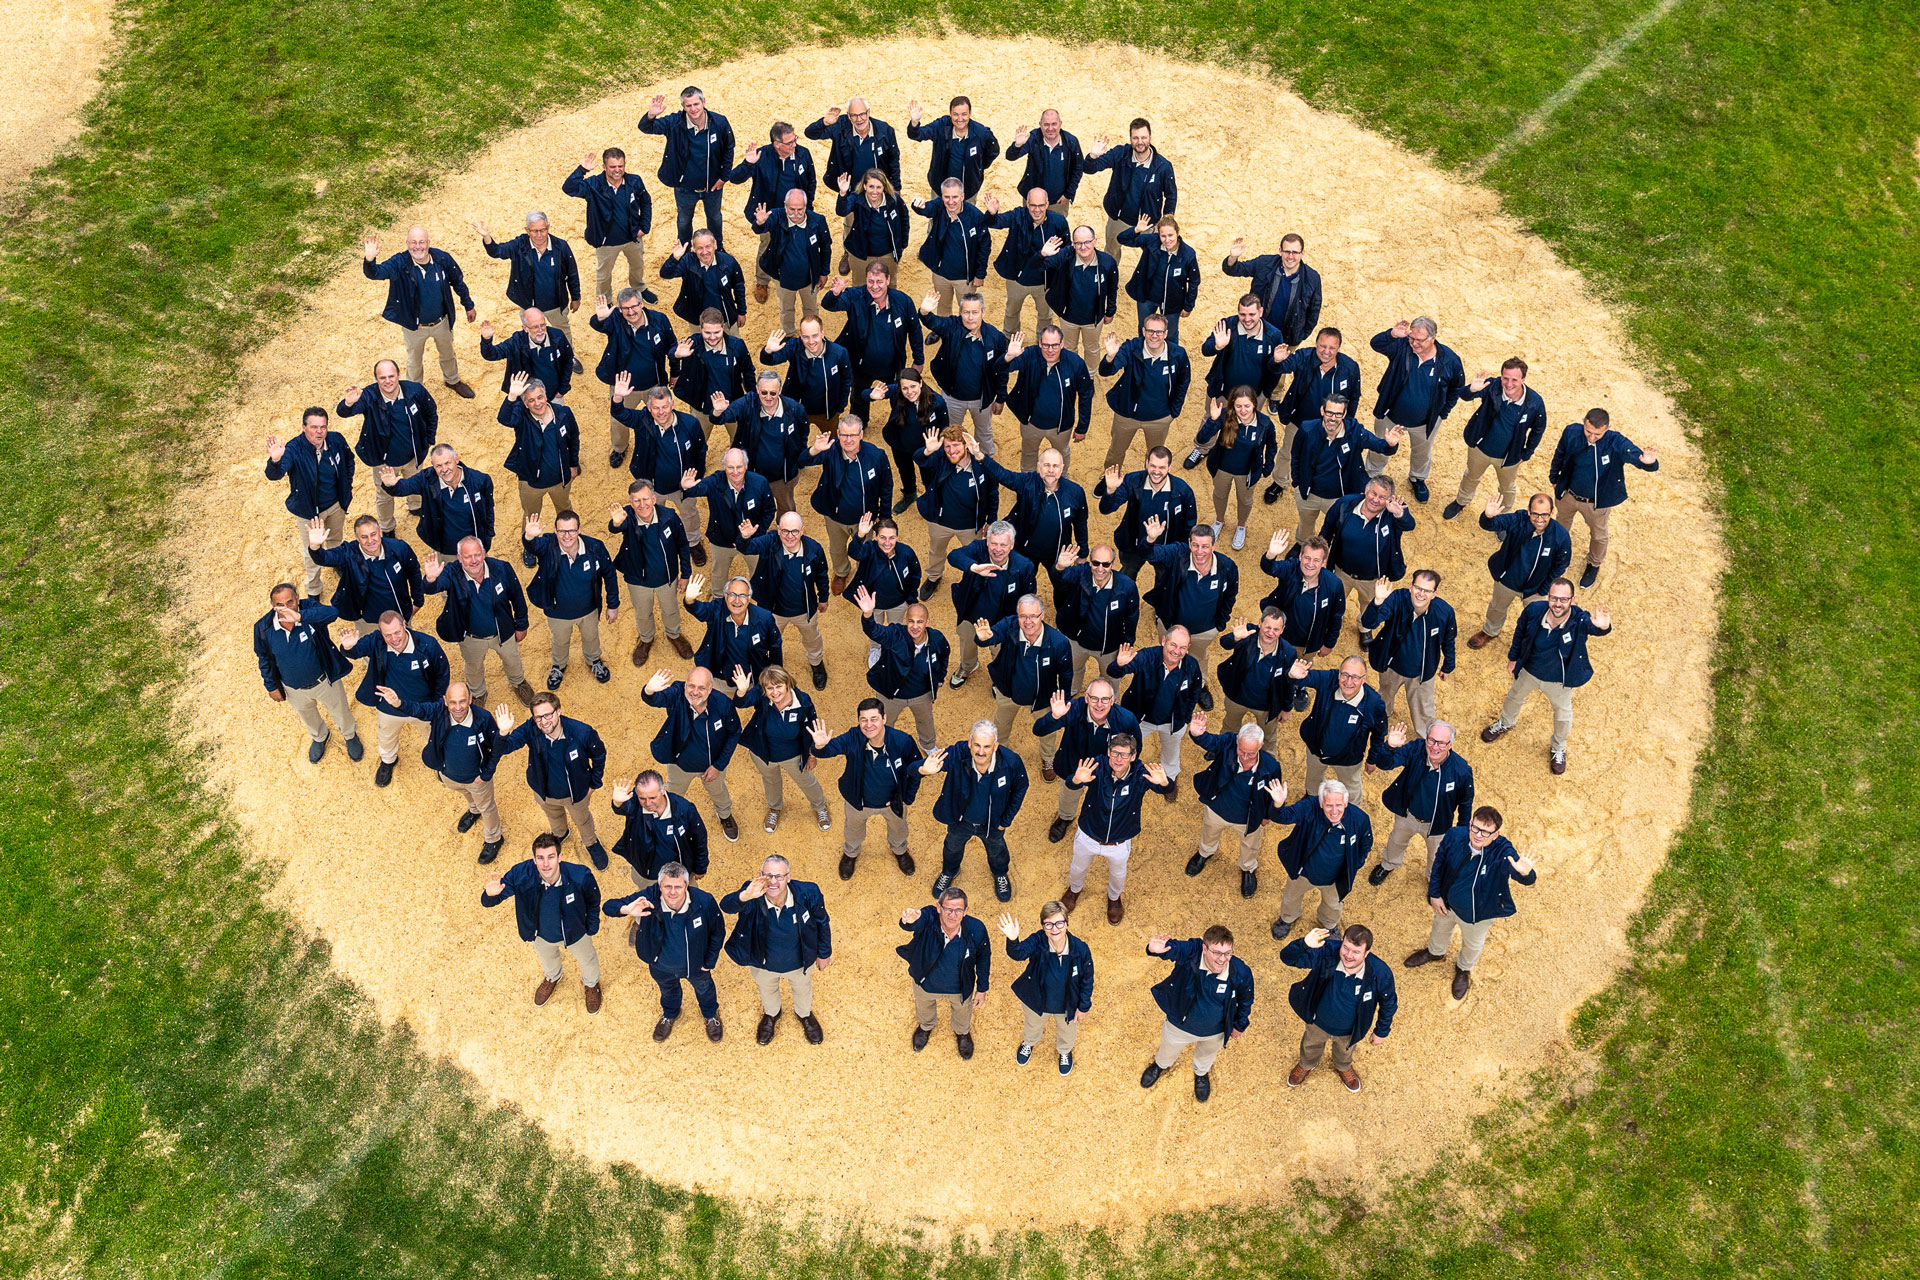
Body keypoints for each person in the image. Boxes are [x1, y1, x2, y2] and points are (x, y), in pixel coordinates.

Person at [1481, 580, 1613, 774]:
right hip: (1529, 671)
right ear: (1548, 597)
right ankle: (1505, 723)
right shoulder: (1534, 610)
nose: (1558, 604)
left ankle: (1558, 747)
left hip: (1559, 681)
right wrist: (1513, 658)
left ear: (1572, 600)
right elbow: (1520, 632)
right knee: (1514, 697)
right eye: (1554, 598)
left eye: (1564, 599)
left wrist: (1603, 626)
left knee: (1562, 714)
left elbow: (1594, 627)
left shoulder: (1579, 620)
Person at [1410, 807, 1537, 999]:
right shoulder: (1454, 835)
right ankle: (1435, 953)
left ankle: (1463, 969)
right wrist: (1435, 894)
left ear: (1496, 834)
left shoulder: (1503, 851)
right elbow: (1439, 864)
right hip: (1447, 904)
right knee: (1439, 929)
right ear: (1470, 824)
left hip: (1478, 914)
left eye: (1485, 832)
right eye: (1475, 828)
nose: (1478, 835)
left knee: (1472, 945)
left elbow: (1521, 874)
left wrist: (1525, 873)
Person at [606, 861, 726, 1041]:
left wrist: (709, 962)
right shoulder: (649, 897)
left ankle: (710, 1015)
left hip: (696, 966)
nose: (672, 892)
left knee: (705, 990)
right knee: (668, 992)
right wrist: (627, 909)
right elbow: (608, 906)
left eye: (678, 887)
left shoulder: (704, 901)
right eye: (667, 886)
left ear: (687, 885)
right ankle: (670, 1014)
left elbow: (718, 931)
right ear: (659, 885)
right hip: (661, 966)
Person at [481, 833, 603, 1011]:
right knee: (547, 959)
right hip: (540, 935)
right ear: (534, 860)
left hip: (576, 932)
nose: (546, 863)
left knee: (588, 960)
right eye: (540, 858)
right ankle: (553, 977)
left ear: (560, 857)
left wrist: (591, 927)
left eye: (551, 857)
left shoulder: (580, 876)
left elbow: (593, 901)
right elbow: (492, 900)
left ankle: (591, 984)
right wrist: (490, 895)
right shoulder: (520, 874)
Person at [1060, 733, 1172, 924]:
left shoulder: (1141, 774)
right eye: (1115, 753)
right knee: (1078, 867)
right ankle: (1074, 890)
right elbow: (1072, 783)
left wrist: (1164, 782)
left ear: (1133, 756)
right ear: (1108, 752)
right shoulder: (1097, 765)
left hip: (1119, 841)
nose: (1118, 759)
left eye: (1124, 755)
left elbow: (1169, 791)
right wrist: (1077, 779)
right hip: (1088, 834)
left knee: (1118, 875)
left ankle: (1114, 898)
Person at [720, 855, 832, 1044]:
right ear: (760, 875)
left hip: (800, 962)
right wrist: (745, 896)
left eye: (779, 876)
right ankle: (771, 1014)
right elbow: (726, 906)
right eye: (768, 876)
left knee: (802, 989)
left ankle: (804, 1014)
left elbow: (822, 922)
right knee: (767, 989)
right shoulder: (752, 893)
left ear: (788, 877)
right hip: (763, 963)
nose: (773, 882)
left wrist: (824, 953)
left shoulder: (808, 892)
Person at [812, 698, 925, 880]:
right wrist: (819, 746)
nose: (868, 725)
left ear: (884, 718)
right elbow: (828, 750)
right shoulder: (853, 737)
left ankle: (900, 850)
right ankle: (850, 853)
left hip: (894, 802)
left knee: (898, 829)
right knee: (853, 830)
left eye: (874, 719)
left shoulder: (902, 741)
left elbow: (917, 770)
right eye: (863, 720)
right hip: (858, 802)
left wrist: (907, 798)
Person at [1548, 406, 1660, 588]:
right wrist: (1554, 479)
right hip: (1568, 494)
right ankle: (1555, 554)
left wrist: (1649, 462)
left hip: (1596, 503)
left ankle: (1593, 564)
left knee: (1599, 536)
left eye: (1597, 434)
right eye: (1588, 432)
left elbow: (1635, 456)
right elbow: (1559, 454)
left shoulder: (1616, 441)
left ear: (1607, 429)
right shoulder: (1571, 432)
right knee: (1560, 525)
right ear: (1583, 423)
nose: (1591, 437)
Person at [495, 690, 609, 869]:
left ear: (559, 711)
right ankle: (561, 833)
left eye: (548, 715)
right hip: (544, 793)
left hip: (576, 794)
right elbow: (505, 748)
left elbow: (599, 755)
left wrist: (594, 783)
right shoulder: (530, 728)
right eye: (538, 717)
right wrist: (503, 732)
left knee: (583, 820)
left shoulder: (582, 732)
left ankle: (591, 842)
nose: (543, 721)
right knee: (554, 816)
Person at [1140, 926, 1253, 1102]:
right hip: (1179, 1024)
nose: (1222, 959)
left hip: (1215, 1032)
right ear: (1204, 948)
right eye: (1216, 952)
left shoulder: (1240, 971)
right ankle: (1160, 1065)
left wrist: (1239, 1025)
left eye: (1227, 953)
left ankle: (1201, 1073)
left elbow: (1246, 1001)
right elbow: (1175, 948)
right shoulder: (1192, 953)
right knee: (1168, 1048)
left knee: (1207, 1055)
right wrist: (1154, 949)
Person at [253, 584, 363, 764]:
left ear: (297, 598)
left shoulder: (309, 611)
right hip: (293, 689)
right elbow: (264, 658)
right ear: (273, 606)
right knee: (307, 715)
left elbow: (333, 613)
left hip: (325, 680)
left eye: (290, 602)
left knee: (340, 710)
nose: (286, 608)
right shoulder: (262, 628)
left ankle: (349, 735)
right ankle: (320, 736)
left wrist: (300, 616)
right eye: (280, 605)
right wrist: (271, 686)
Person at [361, 227, 476, 397]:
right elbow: (376, 273)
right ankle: (415, 391)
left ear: (428, 243)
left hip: (442, 321)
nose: (417, 247)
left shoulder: (442, 259)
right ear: (407, 244)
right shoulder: (399, 263)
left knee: (448, 353)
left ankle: (452, 380)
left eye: (421, 242)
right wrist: (370, 259)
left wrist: (468, 305)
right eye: (413, 242)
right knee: (414, 361)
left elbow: (458, 282)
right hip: (414, 326)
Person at [921, 720, 1029, 902]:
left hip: (992, 824)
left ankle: (1000, 873)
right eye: (977, 745)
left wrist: (1005, 820)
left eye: (987, 746)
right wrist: (921, 769)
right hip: (960, 821)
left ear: (995, 746)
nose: (981, 751)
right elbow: (924, 765)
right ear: (970, 743)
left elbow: (1021, 787)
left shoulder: (1011, 762)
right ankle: (949, 871)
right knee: (952, 847)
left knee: (997, 850)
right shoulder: (958, 754)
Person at [420, 536, 534, 707]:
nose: (473, 560)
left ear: (484, 553)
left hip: (503, 632)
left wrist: (522, 625)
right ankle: (478, 692)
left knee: (512, 659)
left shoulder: (502, 568)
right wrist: (430, 579)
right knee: (473, 666)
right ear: (459, 558)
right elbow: (432, 588)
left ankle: (518, 682)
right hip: (470, 637)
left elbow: (517, 597)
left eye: (477, 555)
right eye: (467, 557)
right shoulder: (452, 572)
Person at [397, 681, 504, 863]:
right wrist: (398, 703)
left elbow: (497, 748)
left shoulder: (483, 718)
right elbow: (419, 710)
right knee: (465, 793)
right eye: (453, 702)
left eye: (462, 701)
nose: (458, 707)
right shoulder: (439, 713)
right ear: (445, 701)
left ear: (470, 699)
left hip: (477, 780)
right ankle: (474, 810)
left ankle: (494, 838)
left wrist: (486, 774)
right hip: (450, 776)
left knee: (487, 807)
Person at [1281, 924, 1396, 1092]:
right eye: (1346, 948)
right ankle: (1307, 1064)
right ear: (1341, 942)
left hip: (1350, 1030)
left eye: (1356, 952)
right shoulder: (1327, 951)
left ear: (1366, 954)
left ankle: (1343, 1066)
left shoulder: (1380, 973)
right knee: (1310, 1045)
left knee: (1345, 1051)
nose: (1348, 955)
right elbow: (1287, 958)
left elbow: (1388, 1002)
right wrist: (1304, 944)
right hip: (1317, 1021)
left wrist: (1381, 1031)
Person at [341, 610, 450, 787]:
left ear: (404, 625)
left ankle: (439, 760)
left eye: (397, 632)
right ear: (381, 633)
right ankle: (388, 760)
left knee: (434, 735)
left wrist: (437, 704)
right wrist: (348, 647)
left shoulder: (427, 645)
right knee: (386, 737)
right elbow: (356, 651)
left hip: (423, 706)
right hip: (389, 707)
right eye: (388, 635)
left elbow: (442, 674)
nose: (394, 639)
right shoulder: (377, 640)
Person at [1365, 316, 1467, 504]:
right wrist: (1392, 334)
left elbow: (1456, 388)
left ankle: (1417, 478)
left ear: (1433, 338)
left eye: (1420, 340)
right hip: (1390, 416)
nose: (1414, 343)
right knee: (1380, 445)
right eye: (1411, 338)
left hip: (1424, 422)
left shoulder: (1450, 360)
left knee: (1422, 452)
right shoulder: (1401, 346)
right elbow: (1375, 344)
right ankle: (1373, 473)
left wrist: (1442, 413)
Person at [610, 377, 708, 567]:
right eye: (656, 408)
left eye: (664, 407)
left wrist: (697, 478)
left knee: (689, 515)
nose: (661, 412)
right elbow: (619, 413)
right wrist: (618, 397)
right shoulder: (642, 420)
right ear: (648, 407)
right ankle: (654, 543)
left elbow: (700, 451)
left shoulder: (690, 424)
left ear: (672, 405)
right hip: (651, 487)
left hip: (683, 487)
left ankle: (693, 542)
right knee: (650, 515)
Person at [1185, 719, 1287, 896]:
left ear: (1261, 746)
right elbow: (1211, 741)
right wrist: (1197, 734)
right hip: (1217, 808)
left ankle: (1248, 868)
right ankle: (1205, 853)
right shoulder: (1228, 744)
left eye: (1251, 753)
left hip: (1248, 819)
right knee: (1209, 832)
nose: (1245, 757)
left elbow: (1273, 794)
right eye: (1241, 750)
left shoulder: (1271, 767)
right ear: (1237, 740)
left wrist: (1267, 815)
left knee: (1250, 845)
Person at [641, 665, 743, 840]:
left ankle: (725, 815)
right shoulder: (677, 694)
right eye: (691, 686)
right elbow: (655, 699)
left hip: (712, 767)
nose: (695, 692)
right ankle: (667, 817)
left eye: (701, 688)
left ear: (710, 688)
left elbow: (734, 732)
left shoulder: (723, 704)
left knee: (718, 792)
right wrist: (649, 690)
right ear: (685, 685)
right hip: (680, 764)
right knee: (673, 793)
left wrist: (718, 766)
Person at [1261, 327, 1362, 502]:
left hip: (1331, 424)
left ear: (1338, 348)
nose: (1326, 351)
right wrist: (1276, 361)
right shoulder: (1304, 356)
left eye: (1332, 348)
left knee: (1325, 455)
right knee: (1288, 452)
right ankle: (1279, 482)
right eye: (1322, 346)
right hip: (1299, 421)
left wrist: (1346, 423)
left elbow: (1353, 397)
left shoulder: (1350, 368)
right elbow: (1280, 367)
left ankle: (1315, 484)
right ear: (1316, 344)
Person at [1368, 719, 1475, 886]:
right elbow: (1385, 764)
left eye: (1441, 743)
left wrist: (1462, 833)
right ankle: (1388, 864)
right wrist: (1389, 747)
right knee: (1396, 841)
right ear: (1426, 739)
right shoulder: (1416, 749)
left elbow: (1465, 803)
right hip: (1407, 814)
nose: (1434, 747)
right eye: (1431, 740)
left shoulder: (1461, 771)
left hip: (1437, 825)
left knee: (1436, 856)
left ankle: (1433, 880)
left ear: (1450, 745)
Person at [521, 509, 618, 688]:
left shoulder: (595, 547)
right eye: (562, 531)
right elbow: (533, 547)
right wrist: (529, 536)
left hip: (589, 610)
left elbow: (610, 575)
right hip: (557, 612)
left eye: (571, 530)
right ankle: (559, 666)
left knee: (591, 637)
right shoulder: (548, 546)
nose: (567, 536)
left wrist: (613, 605)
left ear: (579, 529)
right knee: (560, 641)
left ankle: (594, 660)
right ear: (555, 530)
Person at [336, 361, 437, 532]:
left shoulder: (415, 391)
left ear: (399, 375)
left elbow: (431, 413)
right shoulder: (369, 396)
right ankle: (387, 527)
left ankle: (415, 506)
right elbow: (344, 413)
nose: (388, 381)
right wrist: (348, 403)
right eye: (382, 378)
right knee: (384, 496)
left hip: (413, 456)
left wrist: (428, 439)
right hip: (384, 463)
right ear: (376, 379)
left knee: (416, 484)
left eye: (391, 376)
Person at [264, 408, 354, 600]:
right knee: (311, 551)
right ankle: (314, 588)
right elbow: (275, 475)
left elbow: (349, 461)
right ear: (304, 428)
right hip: (309, 512)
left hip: (336, 505)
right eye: (314, 427)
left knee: (335, 540)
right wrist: (275, 460)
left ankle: (336, 563)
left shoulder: (336, 440)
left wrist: (347, 487)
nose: (319, 432)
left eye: (323, 427)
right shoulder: (293, 449)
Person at [1443, 358, 1549, 519]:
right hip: (1479, 449)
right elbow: (1463, 395)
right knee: (1471, 476)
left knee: (1507, 488)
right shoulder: (1492, 386)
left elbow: (1538, 429)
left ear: (1523, 379)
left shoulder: (1535, 403)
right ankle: (1461, 501)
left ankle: (1503, 515)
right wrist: (1471, 389)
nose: (1509, 384)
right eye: (1505, 378)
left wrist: (1527, 453)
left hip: (1509, 457)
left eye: (1514, 379)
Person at [730, 664, 831, 833]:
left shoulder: (803, 701)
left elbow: (813, 731)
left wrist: (811, 755)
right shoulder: (761, 694)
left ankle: (820, 806)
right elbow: (741, 703)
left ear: (788, 684)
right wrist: (741, 691)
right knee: (771, 781)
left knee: (806, 781)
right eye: (770, 688)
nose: (774, 692)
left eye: (779, 687)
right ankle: (774, 808)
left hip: (793, 755)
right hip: (763, 753)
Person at [1034, 681, 1140, 841]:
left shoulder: (1126, 719)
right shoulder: (1072, 709)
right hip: (1073, 768)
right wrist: (1054, 716)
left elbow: (1136, 748)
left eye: (1105, 699)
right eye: (1094, 698)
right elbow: (1038, 730)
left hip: (1107, 772)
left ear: (1112, 700)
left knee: (1103, 799)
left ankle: (1100, 823)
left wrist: (1120, 770)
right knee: (1069, 795)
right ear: (1086, 698)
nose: (1099, 704)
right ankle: (1065, 818)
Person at [1285, 397, 1400, 543]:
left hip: (1339, 498)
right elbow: (1296, 455)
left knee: (1340, 529)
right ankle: (1302, 543)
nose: (1333, 418)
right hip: (1308, 495)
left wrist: (1390, 445)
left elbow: (1378, 445)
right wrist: (1297, 483)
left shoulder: (1355, 432)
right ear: (1322, 410)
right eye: (1329, 413)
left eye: (1338, 414)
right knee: (1305, 523)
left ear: (1344, 414)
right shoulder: (1307, 429)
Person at [823, 264, 923, 429]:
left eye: (879, 281)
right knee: (858, 397)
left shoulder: (903, 301)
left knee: (898, 398)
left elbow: (915, 331)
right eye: (870, 281)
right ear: (866, 280)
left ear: (888, 280)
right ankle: (860, 423)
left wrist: (918, 360)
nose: (875, 286)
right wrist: (835, 293)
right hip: (861, 364)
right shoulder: (855, 296)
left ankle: (899, 426)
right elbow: (829, 305)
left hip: (892, 366)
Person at [738, 511, 831, 689]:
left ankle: (816, 663)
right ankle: (771, 671)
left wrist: (823, 598)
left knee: (812, 639)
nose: (790, 536)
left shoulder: (814, 549)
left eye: (794, 531)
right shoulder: (770, 542)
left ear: (802, 530)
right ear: (778, 530)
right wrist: (745, 537)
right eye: (785, 531)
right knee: (767, 641)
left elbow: (822, 575)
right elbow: (747, 548)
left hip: (805, 611)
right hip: (773, 611)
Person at [1358, 569, 1456, 736]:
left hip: (1422, 674)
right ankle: (1381, 715)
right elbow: (1369, 623)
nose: (1421, 594)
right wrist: (1378, 601)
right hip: (1391, 667)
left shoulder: (1444, 613)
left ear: (1434, 594)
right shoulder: (1397, 599)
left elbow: (1449, 640)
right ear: (1411, 587)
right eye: (1418, 588)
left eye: (1427, 591)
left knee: (1424, 710)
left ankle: (1424, 738)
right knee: (1384, 695)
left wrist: (1448, 666)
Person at [896, 887, 992, 1057]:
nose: (952, 915)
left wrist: (982, 988)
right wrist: (909, 920)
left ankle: (962, 1032)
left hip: (960, 987)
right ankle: (926, 1026)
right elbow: (915, 922)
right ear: (939, 907)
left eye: (958, 910)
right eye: (948, 909)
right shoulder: (929, 917)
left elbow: (983, 958)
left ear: (966, 911)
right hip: (926, 982)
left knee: (962, 1012)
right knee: (924, 1007)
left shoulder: (977, 929)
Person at [799, 414, 892, 590]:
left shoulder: (876, 456)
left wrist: (885, 518)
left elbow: (886, 487)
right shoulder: (830, 450)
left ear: (861, 435)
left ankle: (864, 575)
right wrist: (814, 449)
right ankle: (841, 572)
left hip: (865, 520)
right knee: (837, 549)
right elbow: (801, 461)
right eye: (844, 435)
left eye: (853, 435)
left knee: (865, 551)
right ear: (838, 434)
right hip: (835, 518)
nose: (848, 440)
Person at [1469, 491, 1572, 648]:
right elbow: (1491, 525)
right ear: (1528, 511)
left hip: (1535, 589)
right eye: (1535, 514)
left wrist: (1544, 589)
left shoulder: (1561, 536)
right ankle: (1490, 631)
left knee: (1537, 617)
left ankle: (1531, 642)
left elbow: (1560, 565)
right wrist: (1488, 517)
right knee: (1497, 608)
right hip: (1507, 580)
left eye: (1544, 514)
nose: (1539, 519)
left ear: (1552, 512)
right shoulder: (1518, 519)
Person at [973, 592, 1073, 753]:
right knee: (1001, 724)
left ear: (1042, 615)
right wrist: (983, 639)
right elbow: (991, 636)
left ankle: (1048, 757)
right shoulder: (1009, 625)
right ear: (1017, 615)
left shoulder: (1059, 643)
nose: (1028, 621)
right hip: (1008, 692)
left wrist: (1064, 700)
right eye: (1023, 616)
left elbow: (1066, 674)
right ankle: (999, 752)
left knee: (1048, 732)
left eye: (1033, 616)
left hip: (1042, 698)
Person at [729, 123, 819, 303]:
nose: (794, 145)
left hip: (795, 212)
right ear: (777, 144)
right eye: (789, 142)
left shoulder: (803, 154)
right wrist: (748, 164)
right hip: (768, 214)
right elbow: (734, 178)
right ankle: (762, 281)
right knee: (767, 246)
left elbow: (811, 181)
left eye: (795, 139)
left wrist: (807, 207)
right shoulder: (761, 156)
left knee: (797, 243)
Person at [1270, 780, 1373, 936]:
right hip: (1303, 871)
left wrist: (1354, 865)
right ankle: (1287, 918)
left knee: (1333, 905)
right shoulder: (1309, 807)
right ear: (1320, 803)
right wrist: (1278, 804)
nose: (1334, 811)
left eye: (1338, 805)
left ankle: (1329, 924)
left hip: (1335, 878)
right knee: (1291, 897)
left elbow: (1365, 843)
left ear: (1346, 803)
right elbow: (1284, 817)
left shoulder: (1359, 819)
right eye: (1328, 805)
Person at [1106, 630, 1202, 794]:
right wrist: (1119, 665)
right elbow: (1114, 672)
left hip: (1173, 723)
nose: (1177, 651)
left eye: (1182, 647)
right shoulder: (1146, 657)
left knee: (1171, 753)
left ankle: (1168, 780)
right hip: (1140, 720)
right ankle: (1122, 777)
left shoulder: (1191, 666)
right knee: (1127, 748)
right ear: (1163, 641)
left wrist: (1185, 718)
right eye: (1173, 645)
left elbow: (1195, 692)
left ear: (1188, 648)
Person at [1000, 904, 1092, 1073]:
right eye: (1048, 924)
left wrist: (1084, 1006)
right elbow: (1018, 954)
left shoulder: (1081, 949)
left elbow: (1087, 979)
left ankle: (1064, 1051)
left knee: (1067, 1031)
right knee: (1032, 1025)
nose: (1054, 929)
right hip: (1038, 1000)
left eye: (1059, 923)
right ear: (1043, 926)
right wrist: (1013, 940)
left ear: (1067, 924)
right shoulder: (1038, 940)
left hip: (1067, 1004)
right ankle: (1029, 1042)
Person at [590, 288, 678, 464]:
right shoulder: (615, 320)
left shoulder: (659, 320)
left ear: (641, 304)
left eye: (633, 307)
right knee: (618, 419)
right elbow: (598, 325)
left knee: (661, 414)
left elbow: (672, 347)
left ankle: (661, 444)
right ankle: (619, 448)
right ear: (619, 309)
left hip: (654, 385)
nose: (630, 312)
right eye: (625, 308)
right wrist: (601, 317)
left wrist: (675, 373)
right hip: (624, 387)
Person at [638, 87, 735, 247]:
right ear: (683, 106)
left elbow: (729, 148)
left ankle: (717, 247)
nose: (693, 109)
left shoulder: (719, 122)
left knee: (715, 218)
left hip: (712, 187)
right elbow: (646, 128)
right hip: (684, 188)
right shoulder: (674, 122)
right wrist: (651, 115)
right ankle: (683, 249)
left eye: (696, 104)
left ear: (703, 102)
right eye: (688, 105)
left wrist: (724, 177)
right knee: (684, 221)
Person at [944, 520, 1035, 689]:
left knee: (1000, 653)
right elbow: (953, 556)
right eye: (993, 543)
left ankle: (998, 678)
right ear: (987, 541)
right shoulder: (978, 550)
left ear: (1011, 545)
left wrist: (1017, 624)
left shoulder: (1024, 566)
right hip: (970, 615)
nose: (997, 549)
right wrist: (974, 567)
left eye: (1003, 545)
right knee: (967, 644)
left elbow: (1028, 598)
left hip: (1001, 623)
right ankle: (967, 666)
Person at [913, 426, 999, 602]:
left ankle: (973, 582)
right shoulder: (940, 458)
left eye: (956, 445)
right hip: (939, 522)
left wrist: (991, 520)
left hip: (970, 526)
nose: (951, 451)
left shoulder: (982, 464)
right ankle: (934, 577)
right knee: (936, 551)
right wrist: (927, 451)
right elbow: (919, 459)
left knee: (974, 557)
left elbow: (992, 493)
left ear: (966, 445)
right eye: (947, 446)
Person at [856, 592, 949, 752]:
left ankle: (928, 745)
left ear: (927, 622)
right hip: (890, 694)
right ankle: (882, 745)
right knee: (884, 722)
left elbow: (944, 655)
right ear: (905, 620)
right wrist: (868, 615)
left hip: (922, 695)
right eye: (911, 621)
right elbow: (874, 631)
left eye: (920, 621)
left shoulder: (937, 639)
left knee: (925, 721)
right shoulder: (895, 634)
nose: (915, 626)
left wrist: (939, 679)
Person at [1143, 524, 1238, 679]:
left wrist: (1219, 624)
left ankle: (1199, 683)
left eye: (1205, 546)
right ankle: (1163, 679)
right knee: (1167, 654)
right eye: (1195, 545)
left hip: (1204, 632)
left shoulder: (1227, 567)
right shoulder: (1178, 555)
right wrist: (1150, 539)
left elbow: (1230, 595)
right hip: (1170, 626)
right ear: (1189, 543)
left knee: (1197, 658)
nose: (1199, 552)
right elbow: (1148, 554)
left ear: (1214, 545)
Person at [474, 210, 581, 347]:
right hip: (529, 306)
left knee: (563, 334)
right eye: (534, 231)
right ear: (527, 230)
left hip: (555, 305)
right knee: (532, 337)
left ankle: (569, 355)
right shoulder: (519, 245)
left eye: (542, 230)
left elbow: (572, 274)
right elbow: (497, 251)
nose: (539, 235)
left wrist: (576, 297)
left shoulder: (561, 246)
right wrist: (487, 236)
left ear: (548, 227)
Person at [1097, 317, 1191, 472]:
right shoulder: (1131, 347)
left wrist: (1173, 412)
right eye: (1150, 331)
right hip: (1126, 415)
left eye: (1159, 332)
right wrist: (1110, 357)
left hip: (1159, 418)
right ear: (1143, 331)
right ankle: (1110, 477)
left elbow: (1183, 382)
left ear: (1166, 333)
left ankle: (1149, 479)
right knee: (1116, 451)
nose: (1154, 335)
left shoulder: (1178, 354)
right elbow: (1106, 371)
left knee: (1154, 455)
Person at [309, 514, 425, 637]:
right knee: (372, 649)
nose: (370, 540)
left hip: (399, 617)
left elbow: (414, 572)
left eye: (373, 534)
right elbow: (325, 558)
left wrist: (417, 602)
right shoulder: (349, 553)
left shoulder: (399, 548)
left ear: (380, 532)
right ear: (357, 538)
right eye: (364, 537)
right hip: (368, 623)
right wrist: (315, 547)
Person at [1292, 653, 1389, 802]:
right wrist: (1294, 675)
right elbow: (1307, 677)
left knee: (1351, 790)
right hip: (1315, 749)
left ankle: (1352, 809)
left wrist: (1372, 758)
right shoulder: (1329, 680)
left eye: (1355, 677)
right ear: (1338, 674)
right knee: (1313, 780)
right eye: (1345, 675)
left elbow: (1379, 734)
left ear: (1364, 679)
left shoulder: (1374, 703)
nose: (1348, 682)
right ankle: (1311, 800)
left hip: (1348, 760)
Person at [711, 370, 808, 514]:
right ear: (757, 389)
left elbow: (803, 434)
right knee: (752, 511)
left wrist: (798, 461)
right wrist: (718, 412)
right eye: (763, 392)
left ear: (780, 390)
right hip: (752, 477)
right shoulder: (747, 404)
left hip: (783, 478)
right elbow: (723, 417)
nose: (768, 397)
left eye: (773, 393)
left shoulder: (795, 409)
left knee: (787, 510)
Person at [497, 374, 580, 544]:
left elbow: (573, 439)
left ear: (546, 395)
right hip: (530, 484)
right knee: (531, 516)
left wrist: (573, 464)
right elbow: (504, 419)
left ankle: (568, 540)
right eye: (531, 400)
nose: (537, 403)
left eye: (540, 397)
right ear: (525, 404)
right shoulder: (521, 418)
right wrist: (511, 396)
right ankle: (530, 545)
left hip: (560, 480)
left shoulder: (564, 413)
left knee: (565, 511)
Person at [918, 289, 1008, 445]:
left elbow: (1002, 371)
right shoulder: (952, 326)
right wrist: (924, 312)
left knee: (984, 433)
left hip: (982, 400)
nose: (970, 317)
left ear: (983, 312)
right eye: (966, 312)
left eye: (975, 312)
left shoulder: (996, 337)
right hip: (952, 398)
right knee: (950, 432)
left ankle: (985, 458)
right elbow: (934, 322)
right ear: (960, 313)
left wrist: (1000, 398)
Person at [1190, 390, 1277, 551]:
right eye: (1238, 406)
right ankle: (1219, 520)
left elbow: (1272, 445)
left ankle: (1241, 526)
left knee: (1245, 500)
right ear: (1232, 405)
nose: (1243, 410)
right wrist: (1212, 420)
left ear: (1254, 404)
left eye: (1247, 406)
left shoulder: (1265, 423)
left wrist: (1267, 467)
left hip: (1247, 474)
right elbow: (1201, 439)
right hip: (1222, 469)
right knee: (1219, 495)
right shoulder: (1224, 416)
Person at [563, 146, 653, 301]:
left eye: (620, 166)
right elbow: (569, 188)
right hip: (606, 242)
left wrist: (644, 227)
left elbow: (646, 202)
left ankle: (639, 288)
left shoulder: (635, 181)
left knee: (637, 266)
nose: (617, 170)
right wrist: (582, 169)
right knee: (604, 275)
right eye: (612, 167)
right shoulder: (593, 185)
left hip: (633, 238)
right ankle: (605, 300)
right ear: (604, 167)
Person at [999, 327, 1094, 471]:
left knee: (1061, 456)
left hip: (1061, 428)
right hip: (1030, 424)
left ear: (1062, 343)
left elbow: (1086, 395)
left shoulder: (1075, 363)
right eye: (1046, 345)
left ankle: (1062, 481)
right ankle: (1028, 481)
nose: (1050, 350)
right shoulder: (1029, 355)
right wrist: (1008, 356)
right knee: (1028, 454)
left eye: (1054, 345)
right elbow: (999, 369)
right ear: (1039, 343)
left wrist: (1082, 427)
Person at [1097, 446, 1197, 581]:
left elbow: (1189, 525)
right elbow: (1106, 509)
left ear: (1170, 468)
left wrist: (1181, 552)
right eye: (1153, 466)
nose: (1156, 471)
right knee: (1127, 575)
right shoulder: (1133, 480)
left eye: (1162, 467)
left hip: (1164, 550)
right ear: (1146, 463)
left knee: (1163, 582)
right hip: (1133, 546)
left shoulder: (1183, 491)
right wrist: (1110, 491)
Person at [681, 448, 777, 587]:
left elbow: (769, 510)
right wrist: (688, 488)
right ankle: (718, 597)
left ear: (746, 466)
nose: (735, 472)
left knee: (759, 573)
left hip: (752, 540)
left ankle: (758, 596)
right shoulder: (716, 481)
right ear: (724, 467)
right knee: (719, 575)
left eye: (739, 467)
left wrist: (757, 532)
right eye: (730, 467)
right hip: (721, 540)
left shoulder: (760, 482)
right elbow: (700, 488)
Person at [1083, 118, 1177, 260]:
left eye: (1144, 137)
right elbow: (1090, 169)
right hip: (1119, 219)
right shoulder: (1120, 154)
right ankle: (1110, 274)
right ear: (1130, 139)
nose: (1140, 142)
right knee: (1111, 252)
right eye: (1135, 138)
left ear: (1150, 138)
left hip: (1149, 224)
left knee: (1153, 258)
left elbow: (1171, 195)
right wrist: (1092, 156)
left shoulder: (1163, 166)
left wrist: (1166, 220)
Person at [378, 444, 494, 559]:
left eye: (447, 463)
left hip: (475, 548)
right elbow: (405, 487)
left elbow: (489, 509)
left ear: (456, 459)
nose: (444, 469)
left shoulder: (480, 480)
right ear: (433, 465)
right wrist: (390, 484)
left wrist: (488, 537)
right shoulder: (427, 479)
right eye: (439, 466)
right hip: (446, 550)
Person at [1053, 543, 1139, 694]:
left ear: (1113, 564)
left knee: (1110, 677)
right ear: (1090, 562)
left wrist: (1127, 644)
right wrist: (1059, 567)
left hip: (1109, 647)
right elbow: (1060, 581)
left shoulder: (1127, 586)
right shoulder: (1081, 573)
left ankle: (1108, 698)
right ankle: (1071, 691)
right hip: (1076, 641)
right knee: (1073, 669)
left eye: (1106, 564)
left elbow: (1132, 617)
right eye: (1096, 563)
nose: (1100, 568)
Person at [1320, 476, 1416, 611]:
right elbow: (1327, 530)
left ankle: (1363, 624)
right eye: (1373, 493)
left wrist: (1400, 514)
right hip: (1341, 573)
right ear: (1366, 490)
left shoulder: (1392, 515)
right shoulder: (1345, 504)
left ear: (1389, 500)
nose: (1376, 500)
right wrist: (1321, 556)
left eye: (1382, 497)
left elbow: (1409, 525)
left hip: (1372, 580)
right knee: (1332, 604)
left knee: (1368, 611)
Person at [607, 768, 708, 889]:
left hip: (680, 873)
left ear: (662, 790)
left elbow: (699, 838)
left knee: (688, 896)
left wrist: (700, 867)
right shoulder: (634, 803)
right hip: (648, 875)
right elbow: (624, 807)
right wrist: (617, 803)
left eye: (652, 798)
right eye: (642, 798)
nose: (648, 803)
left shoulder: (684, 809)